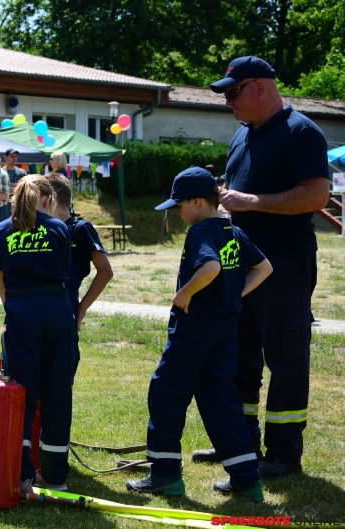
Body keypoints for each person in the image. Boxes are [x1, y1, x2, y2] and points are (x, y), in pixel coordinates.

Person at [191, 56, 330, 480]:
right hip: (242, 263)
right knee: (239, 355)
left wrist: (250, 202)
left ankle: (284, 454)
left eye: (233, 92)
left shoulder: (301, 132)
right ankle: (240, 443)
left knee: (285, 358)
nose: (228, 101)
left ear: (259, 88)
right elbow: (238, 192)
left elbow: (316, 196)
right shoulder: (242, 135)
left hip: (285, 263)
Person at [126, 167, 273, 501]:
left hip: (193, 330)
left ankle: (164, 475)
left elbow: (211, 268)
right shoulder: (234, 232)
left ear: (196, 201)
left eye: (179, 205)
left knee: (166, 393)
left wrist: (185, 293)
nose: (178, 213)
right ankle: (246, 480)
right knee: (222, 401)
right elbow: (264, 267)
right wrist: (234, 296)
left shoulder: (200, 232)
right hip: (224, 332)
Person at [0, 175, 76, 492]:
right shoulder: (59, 229)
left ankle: (21, 474)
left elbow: (3, 286)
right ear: (48, 200)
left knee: (22, 395)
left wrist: (18, 312)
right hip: (56, 310)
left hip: (21, 311)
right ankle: (55, 475)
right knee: (57, 392)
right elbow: (62, 273)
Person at [46, 174, 113, 344]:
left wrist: (82, 308)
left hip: (66, 315)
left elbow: (105, 271)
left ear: (49, 199)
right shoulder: (41, 230)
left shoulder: (80, 229)